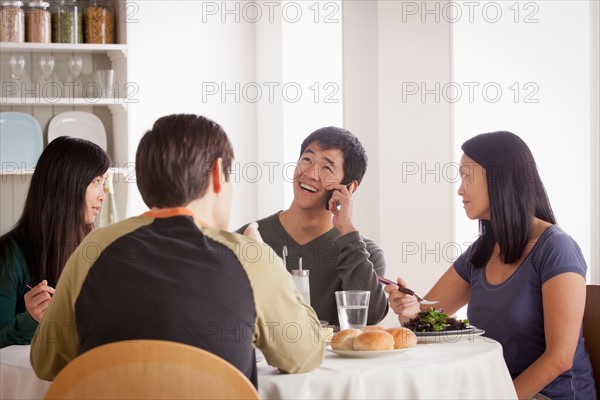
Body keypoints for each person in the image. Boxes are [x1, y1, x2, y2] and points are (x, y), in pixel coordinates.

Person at [30, 114, 324, 386]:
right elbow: (304, 355)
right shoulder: (250, 259)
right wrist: (272, 269)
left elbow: (46, 362)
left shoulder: (92, 249)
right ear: (218, 173)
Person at [385, 131, 596, 399]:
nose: (460, 189)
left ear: (500, 179)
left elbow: (560, 359)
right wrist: (411, 311)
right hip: (494, 388)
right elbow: (431, 321)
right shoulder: (481, 252)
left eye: (466, 176)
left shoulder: (557, 248)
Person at [238, 126, 388, 326]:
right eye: (307, 160)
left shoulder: (365, 254)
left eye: (327, 168)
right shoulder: (248, 237)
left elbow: (369, 317)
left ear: (349, 188)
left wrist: (348, 232)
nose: (310, 173)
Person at [0, 137, 110, 348]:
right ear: (68, 185)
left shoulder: (94, 249)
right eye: (96, 182)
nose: (102, 195)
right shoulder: (9, 255)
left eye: (103, 182)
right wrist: (30, 320)